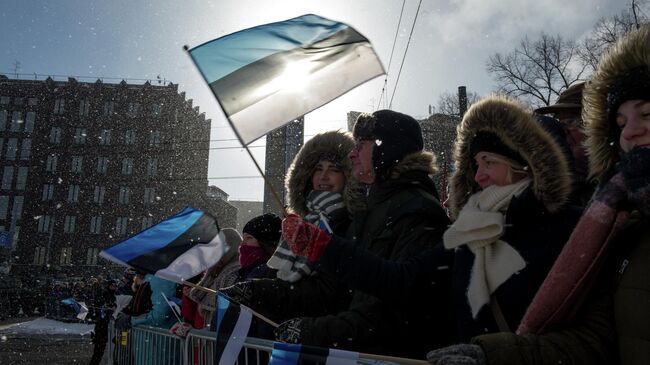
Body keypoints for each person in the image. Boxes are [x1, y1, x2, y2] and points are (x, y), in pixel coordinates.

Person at [426, 25, 650, 365]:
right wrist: (491, 353)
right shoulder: (619, 219)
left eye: (646, 114)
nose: (630, 132)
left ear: (524, 167)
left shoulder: (583, 222)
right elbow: (598, 338)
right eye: (620, 122)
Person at [284, 97, 581, 347]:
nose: (478, 176)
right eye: (476, 165)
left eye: (489, 162)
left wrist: (493, 354)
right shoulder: (469, 232)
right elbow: (401, 280)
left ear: (524, 166)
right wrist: (324, 248)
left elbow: (585, 336)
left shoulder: (568, 227)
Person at [251, 110, 454, 358]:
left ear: (386, 148)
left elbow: (394, 314)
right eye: (318, 170)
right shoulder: (374, 210)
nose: (352, 153)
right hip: (359, 353)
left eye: (361, 145)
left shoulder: (416, 211)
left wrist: (315, 331)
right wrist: (259, 292)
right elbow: (348, 295)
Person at [220, 130, 357, 324]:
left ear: (347, 176)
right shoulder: (300, 223)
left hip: (321, 334)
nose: (324, 176)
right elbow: (277, 275)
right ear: (308, 176)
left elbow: (331, 291)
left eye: (333, 169)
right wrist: (256, 289)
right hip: (287, 328)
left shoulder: (348, 223)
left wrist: (263, 291)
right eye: (318, 169)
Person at [535, 82, 594, 204]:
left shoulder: (627, 175)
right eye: (559, 123)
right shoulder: (555, 188)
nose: (563, 131)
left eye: (570, 121)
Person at [89, 279, 117, 365]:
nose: (114, 287)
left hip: (109, 324)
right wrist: (108, 306)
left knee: (110, 348)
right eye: (112, 285)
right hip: (102, 324)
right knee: (99, 349)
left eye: (115, 286)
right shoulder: (104, 293)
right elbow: (99, 304)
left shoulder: (115, 295)